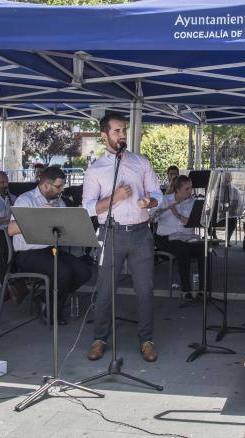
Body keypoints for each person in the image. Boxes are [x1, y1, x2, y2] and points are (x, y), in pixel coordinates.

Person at [83, 112, 162, 363]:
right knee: (105, 290)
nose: (122, 135)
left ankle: (146, 340)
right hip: (110, 233)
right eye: (116, 131)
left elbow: (157, 195)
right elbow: (88, 207)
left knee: (145, 289)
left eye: (124, 130)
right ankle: (99, 339)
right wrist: (114, 198)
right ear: (104, 135)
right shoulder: (95, 169)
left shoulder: (141, 162)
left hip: (140, 233)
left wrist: (150, 202)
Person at [7, 166, 91, 325]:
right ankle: (51, 312)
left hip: (50, 250)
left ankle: (45, 298)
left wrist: (75, 219)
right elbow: (11, 230)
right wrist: (40, 216)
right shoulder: (26, 200)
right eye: (59, 186)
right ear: (46, 185)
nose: (62, 189)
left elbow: (64, 231)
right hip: (27, 254)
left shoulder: (59, 202)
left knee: (84, 271)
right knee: (63, 273)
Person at [153, 175, 205, 301]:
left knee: (203, 249)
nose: (190, 191)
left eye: (191, 188)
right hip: (166, 238)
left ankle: (203, 290)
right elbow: (152, 219)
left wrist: (177, 214)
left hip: (186, 237)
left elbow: (193, 222)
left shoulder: (193, 202)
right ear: (177, 190)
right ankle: (186, 290)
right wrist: (157, 213)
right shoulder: (164, 200)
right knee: (182, 250)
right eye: (187, 189)